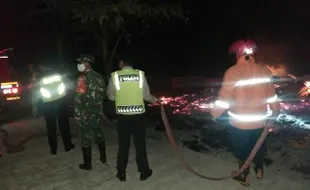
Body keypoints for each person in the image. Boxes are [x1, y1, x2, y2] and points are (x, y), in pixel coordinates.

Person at [210, 40, 280, 186]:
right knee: (258, 146)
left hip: (240, 123)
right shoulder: (264, 70)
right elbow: (271, 95)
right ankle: (259, 170)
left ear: (238, 53)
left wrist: (215, 113)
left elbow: (225, 97)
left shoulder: (233, 72)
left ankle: (243, 175)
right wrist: (275, 109)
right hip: (260, 120)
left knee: (242, 148)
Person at [107, 58, 158, 182]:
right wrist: (156, 100)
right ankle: (144, 172)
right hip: (138, 116)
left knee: (123, 145)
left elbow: (110, 96)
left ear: (122, 63)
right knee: (140, 144)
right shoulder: (140, 75)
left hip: (122, 117)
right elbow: (146, 95)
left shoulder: (115, 76)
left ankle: (121, 173)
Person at [32, 61, 74, 155]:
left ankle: (53, 149)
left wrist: (35, 106)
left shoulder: (40, 78)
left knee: (51, 128)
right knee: (64, 126)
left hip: (48, 106)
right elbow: (69, 85)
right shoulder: (58, 75)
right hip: (61, 104)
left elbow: (36, 93)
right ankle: (68, 145)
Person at [74, 54, 107, 170]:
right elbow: (103, 95)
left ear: (87, 64)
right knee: (98, 133)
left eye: (81, 63)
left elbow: (79, 99)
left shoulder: (83, 78)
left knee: (86, 137)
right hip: (97, 111)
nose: (79, 65)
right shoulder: (99, 77)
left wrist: (77, 115)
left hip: (85, 113)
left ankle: (87, 164)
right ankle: (103, 157)